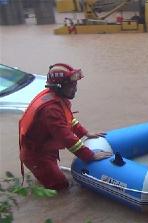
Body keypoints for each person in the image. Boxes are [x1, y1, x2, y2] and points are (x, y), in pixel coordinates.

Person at [19, 63, 112, 191]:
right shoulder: (51, 109)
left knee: (52, 180)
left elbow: (69, 120)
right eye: (71, 86)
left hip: (44, 150)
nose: (75, 89)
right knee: (61, 187)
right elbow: (66, 137)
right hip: (37, 156)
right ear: (59, 87)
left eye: (75, 85)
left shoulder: (58, 98)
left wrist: (86, 132)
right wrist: (90, 156)